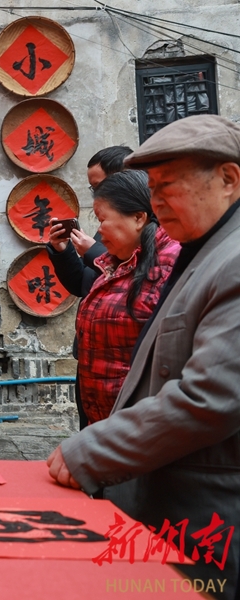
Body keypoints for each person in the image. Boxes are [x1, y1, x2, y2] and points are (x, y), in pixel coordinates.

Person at [48, 115, 240, 598]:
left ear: (228, 179)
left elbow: (211, 396)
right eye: (151, 189)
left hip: (211, 501)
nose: (155, 204)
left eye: (168, 187)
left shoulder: (231, 259)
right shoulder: (204, 247)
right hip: (160, 481)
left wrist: (94, 448)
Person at [49, 170, 178, 427]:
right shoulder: (115, 261)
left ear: (139, 217)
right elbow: (82, 285)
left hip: (142, 425)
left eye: (102, 219)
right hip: (106, 423)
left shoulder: (173, 263)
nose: (98, 230)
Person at [50, 146, 134, 297]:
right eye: (93, 189)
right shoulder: (106, 227)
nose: (96, 195)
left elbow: (135, 275)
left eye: (100, 186)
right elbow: (82, 285)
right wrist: (63, 251)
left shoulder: (152, 228)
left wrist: (93, 253)